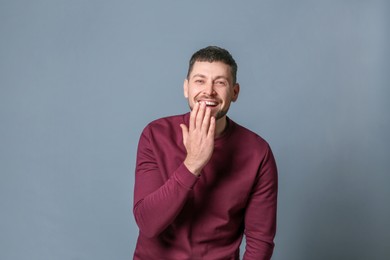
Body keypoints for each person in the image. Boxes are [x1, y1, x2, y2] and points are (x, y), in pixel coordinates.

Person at [133, 46, 278, 259]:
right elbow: (148, 223)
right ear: (186, 88)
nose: (208, 91)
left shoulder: (258, 152)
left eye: (220, 82)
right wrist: (192, 164)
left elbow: (260, 241)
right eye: (200, 81)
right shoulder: (155, 135)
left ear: (235, 92)